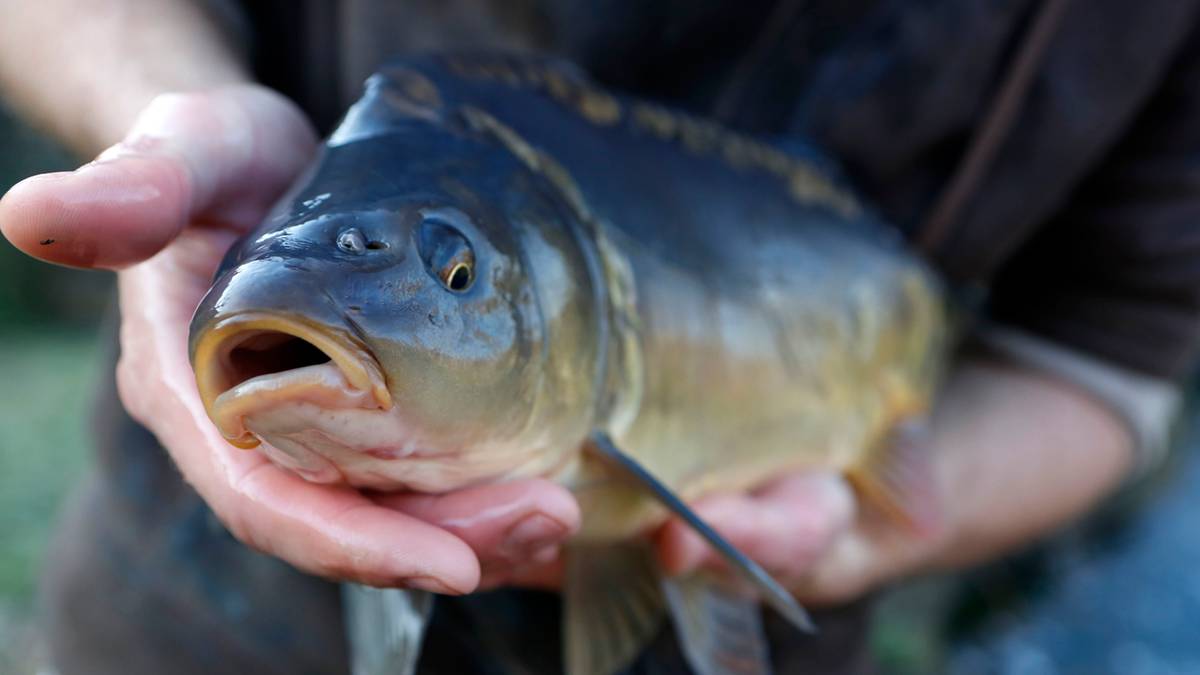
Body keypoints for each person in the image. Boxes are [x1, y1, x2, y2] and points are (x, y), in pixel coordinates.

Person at [1, 1, 1197, 673]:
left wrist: (854, 541)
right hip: (197, 622)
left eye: (452, 273)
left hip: (759, 625)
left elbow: (1105, 361)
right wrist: (153, 105)